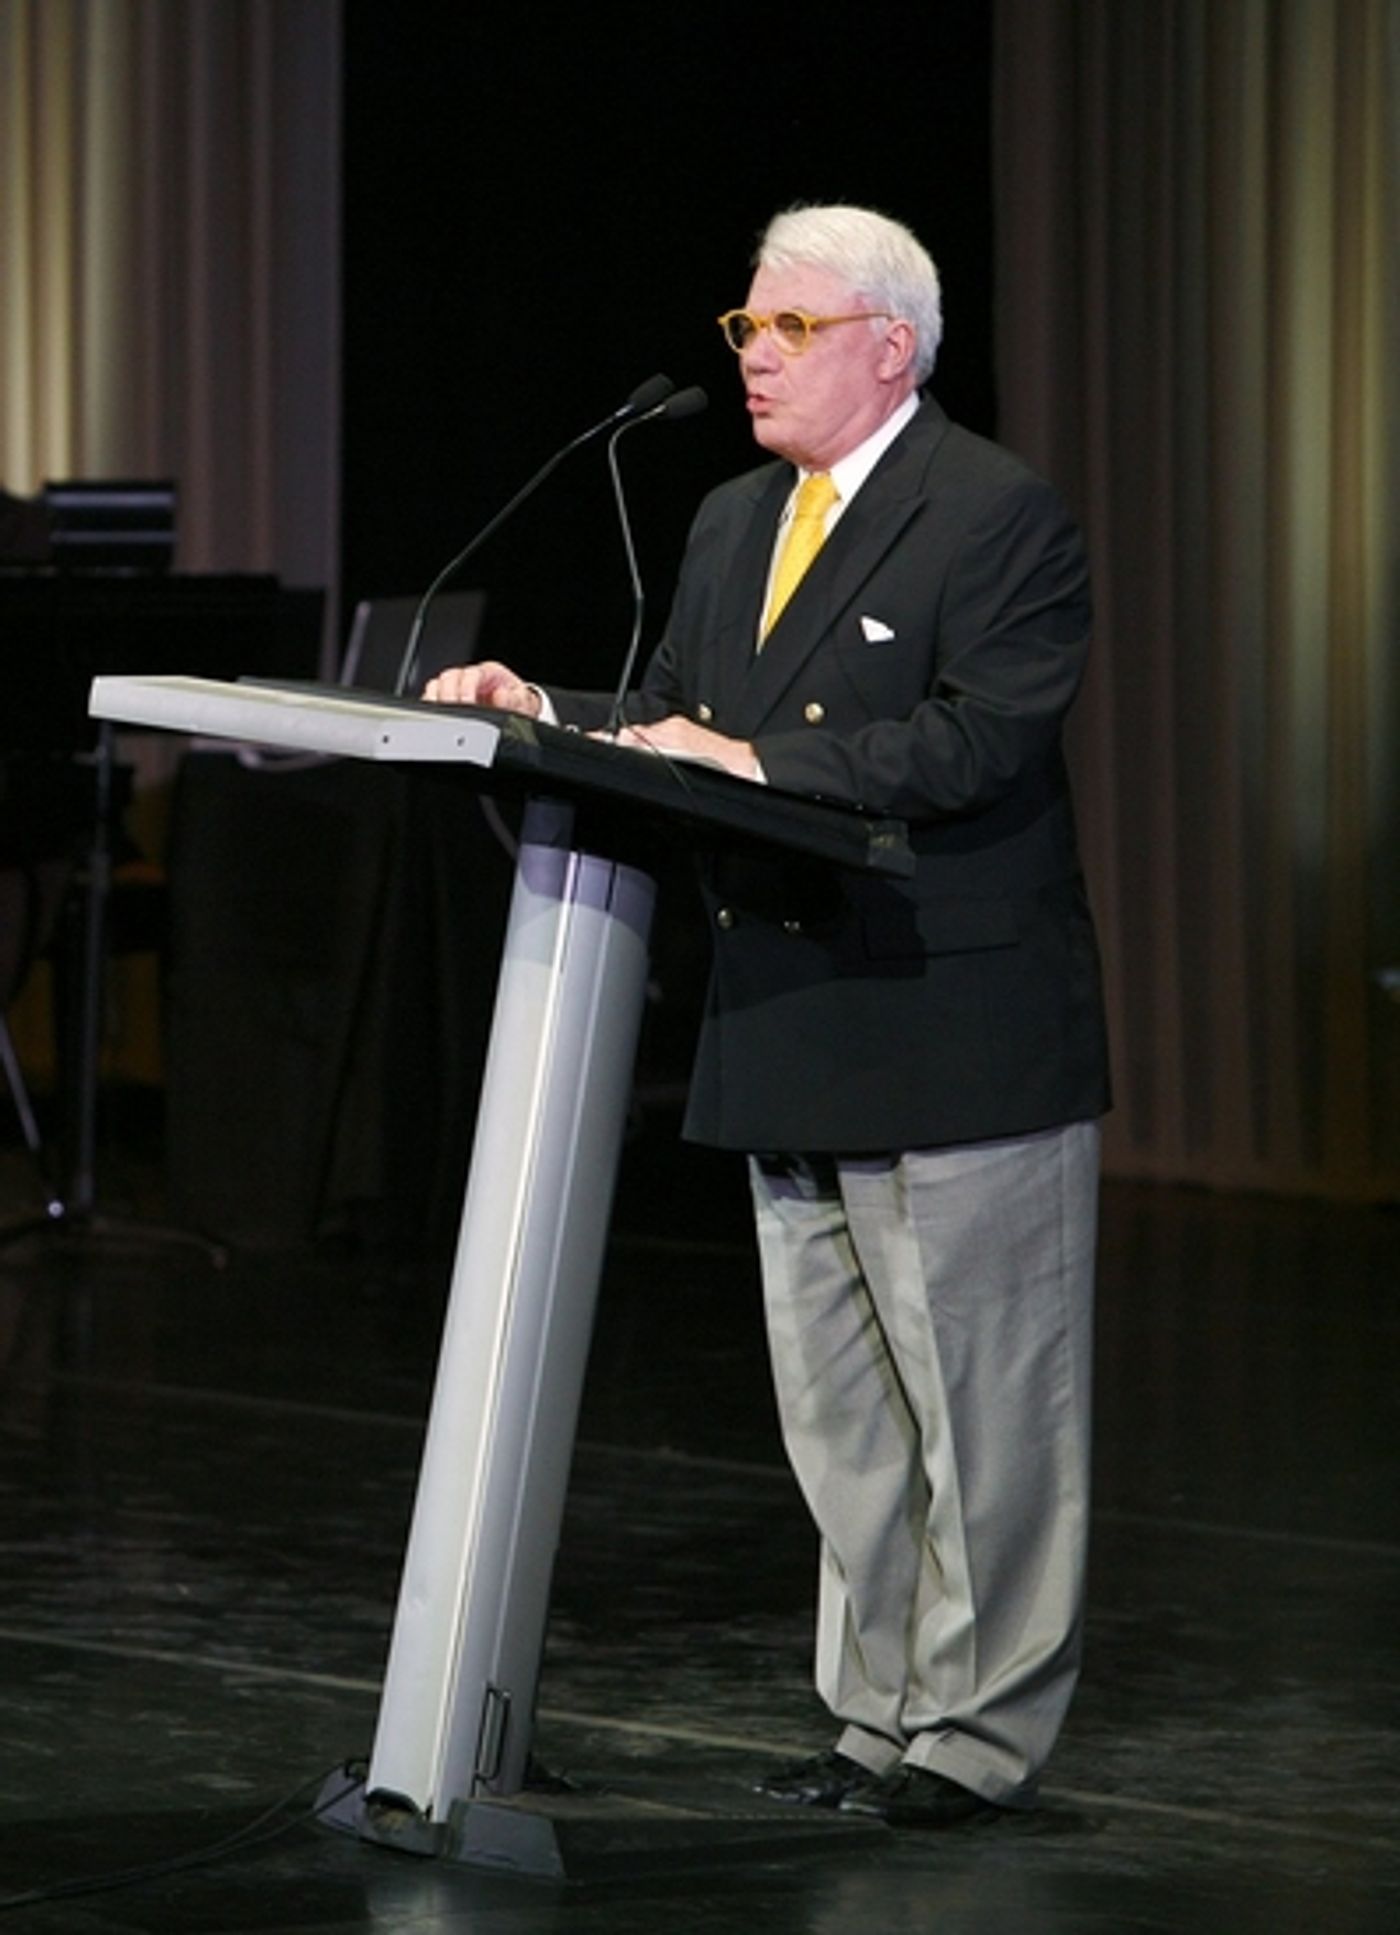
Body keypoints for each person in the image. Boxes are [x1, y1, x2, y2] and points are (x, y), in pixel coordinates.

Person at [425, 203, 1110, 1828]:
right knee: (842, 1420)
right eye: (746, 330)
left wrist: (750, 764)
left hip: (954, 1027)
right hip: (786, 1015)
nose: (753, 358)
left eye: (786, 330)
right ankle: (876, 1715)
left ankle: (979, 1735)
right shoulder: (737, 516)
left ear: (892, 344)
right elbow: (685, 722)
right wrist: (549, 713)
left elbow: (975, 744)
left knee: (989, 1413)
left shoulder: (997, 513)